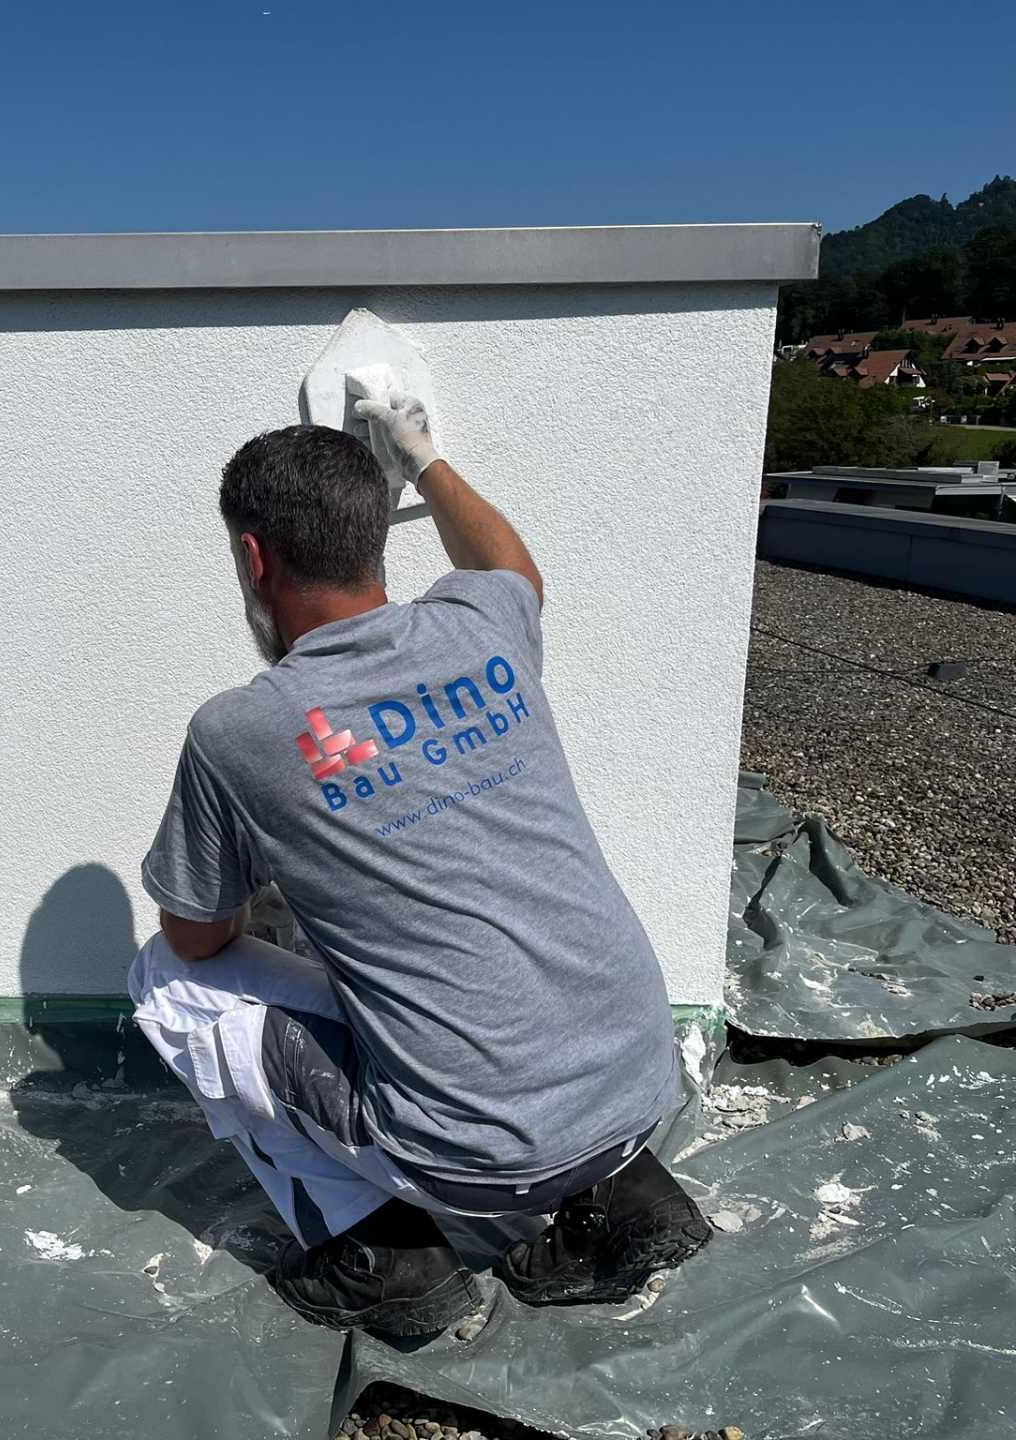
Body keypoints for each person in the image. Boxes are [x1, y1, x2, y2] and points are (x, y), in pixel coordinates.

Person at [128, 396, 710, 1337]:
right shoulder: (478, 627)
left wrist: (282, 870)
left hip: (472, 1161)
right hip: (642, 1084)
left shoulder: (240, 730)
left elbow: (194, 938)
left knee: (161, 981)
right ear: (378, 541)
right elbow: (514, 568)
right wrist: (427, 460)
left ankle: (391, 1259)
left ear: (253, 559)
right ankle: (622, 1186)